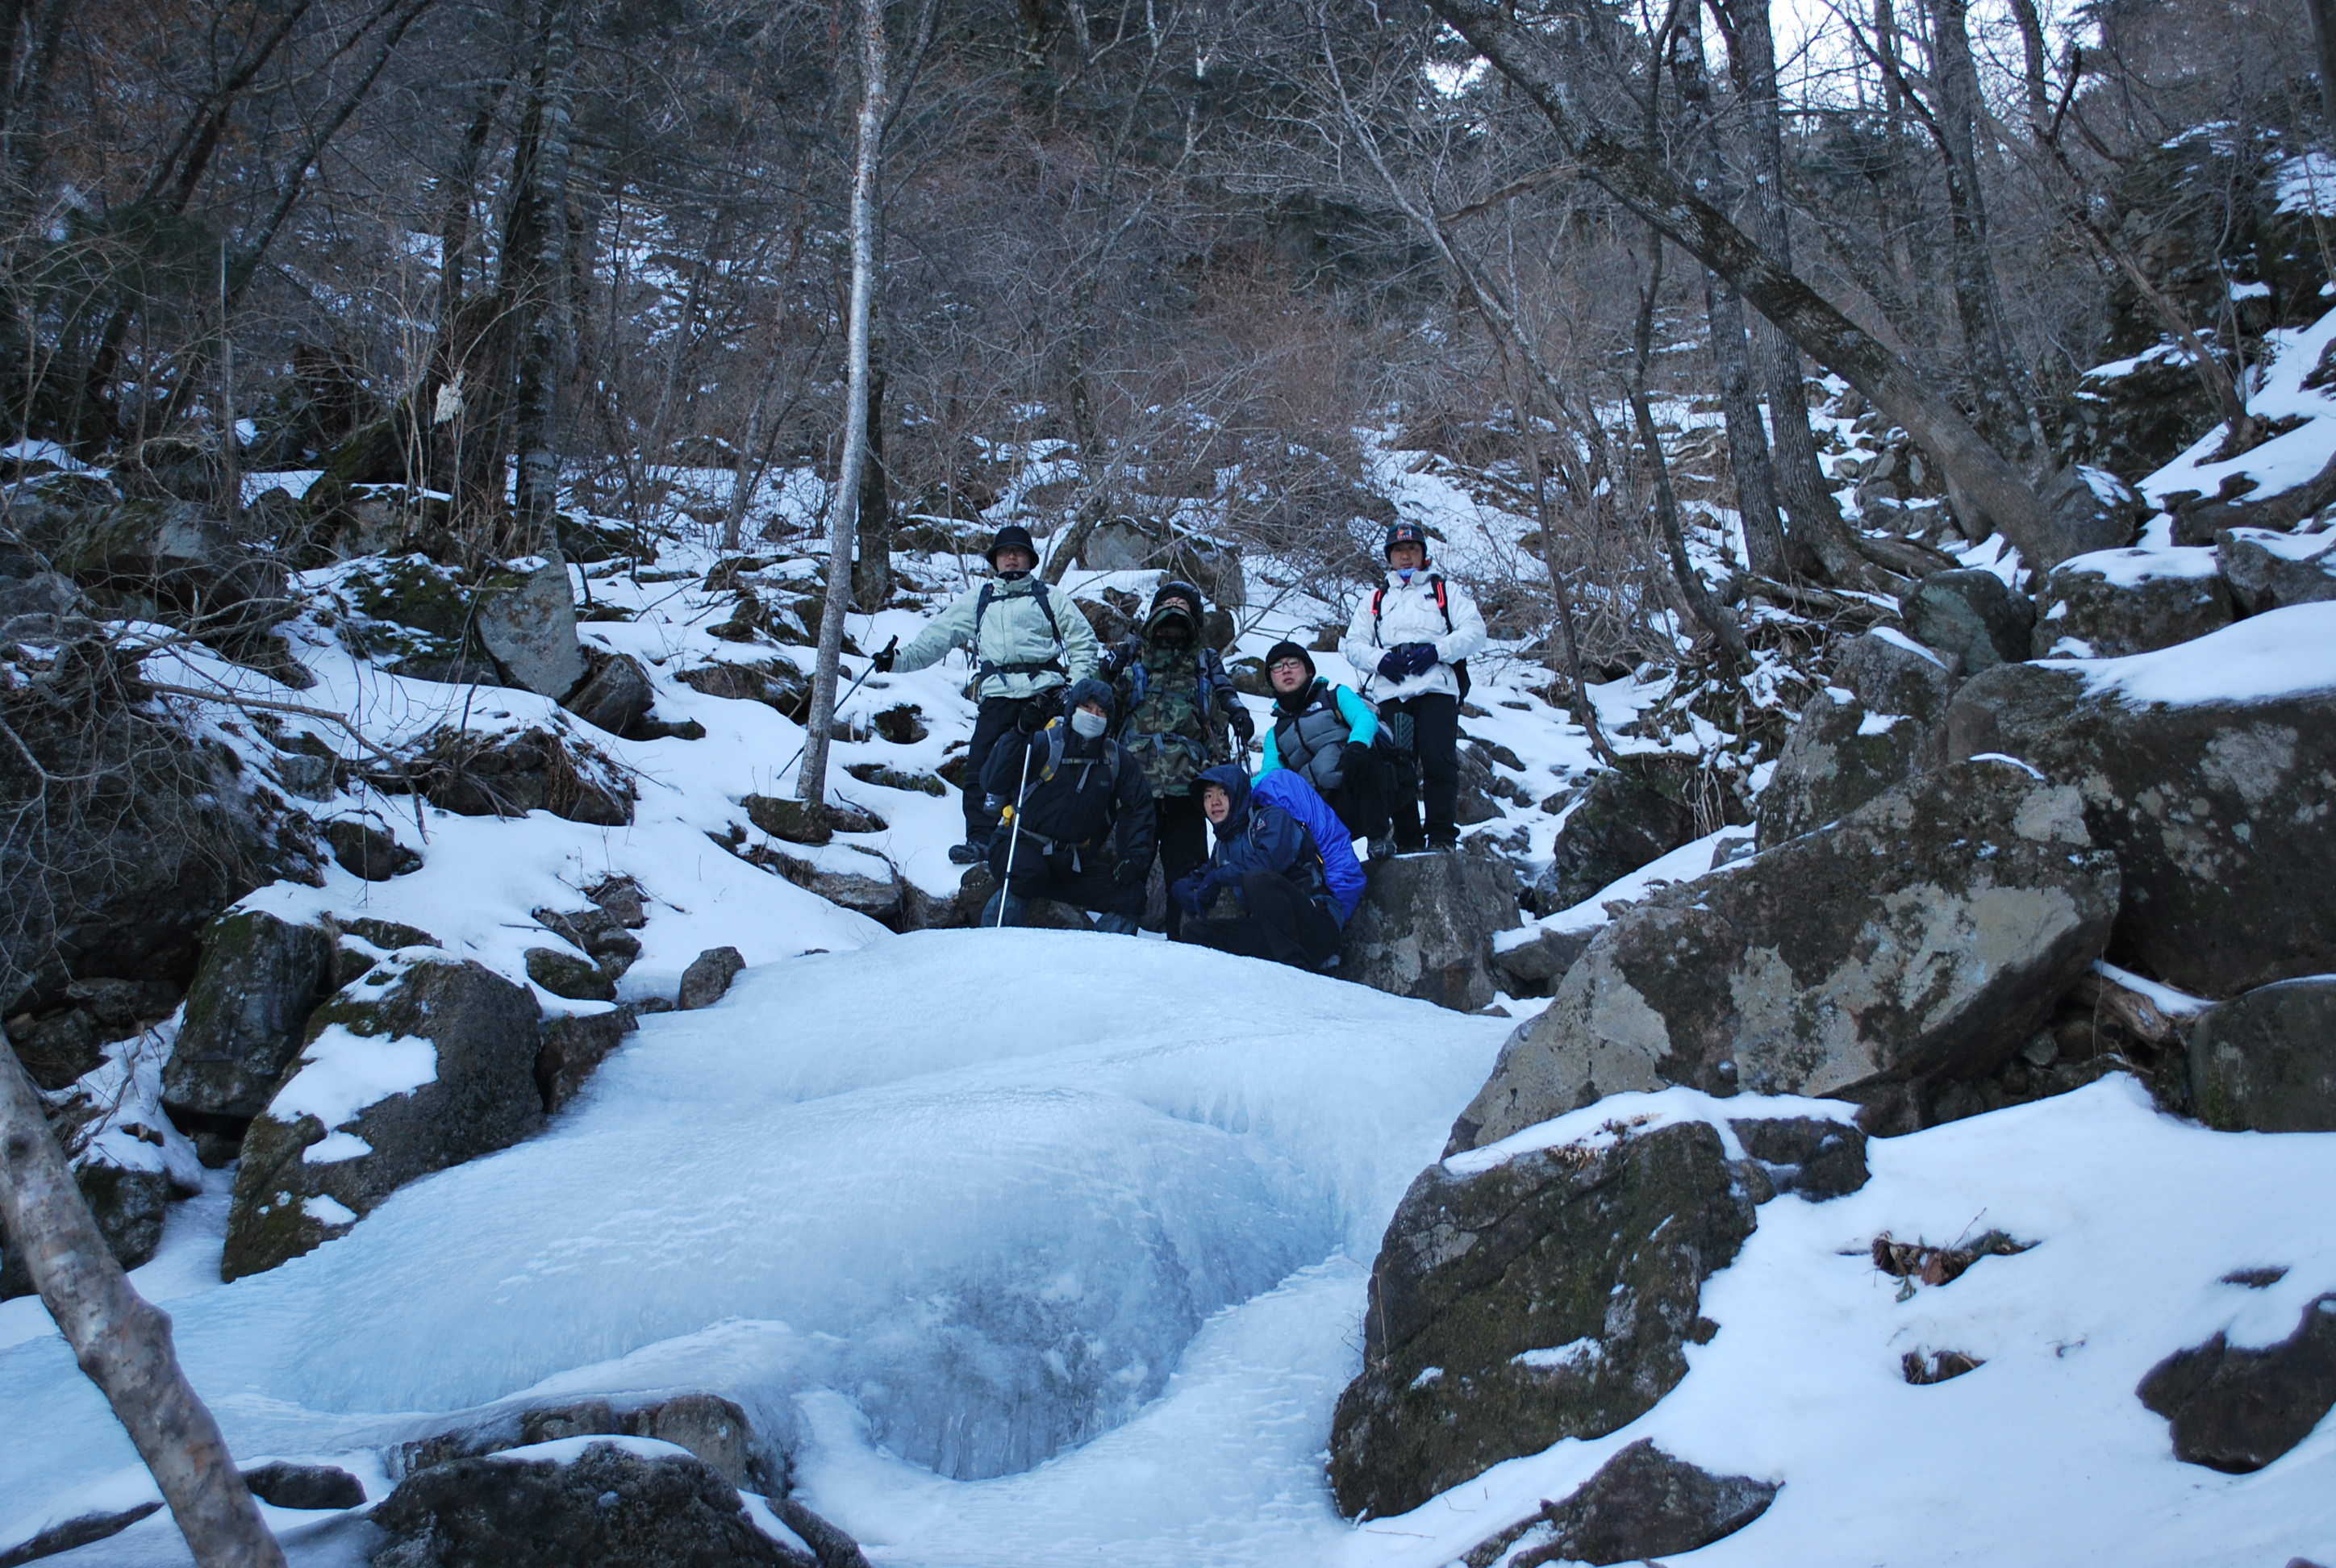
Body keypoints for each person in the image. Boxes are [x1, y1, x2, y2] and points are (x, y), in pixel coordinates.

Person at [878, 524, 1099, 863]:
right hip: (998, 699)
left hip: (1046, 696)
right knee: (982, 767)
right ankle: (981, 839)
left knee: (1051, 768)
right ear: (995, 560)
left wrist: (1074, 692)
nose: (1011, 557)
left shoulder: (1049, 597)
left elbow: (1083, 642)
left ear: (1029, 559)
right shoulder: (979, 600)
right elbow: (937, 638)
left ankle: (1045, 840)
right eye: (1004, 552)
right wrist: (896, 660)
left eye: (1018, 552)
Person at [1101, 579, 1254, 933]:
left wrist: (1237, 714)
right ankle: (1113, 944)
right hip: (1136, 783)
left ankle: (1184, 944)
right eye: (1168, 604)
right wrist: (1106, 669)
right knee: (1130, 864)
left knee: (1186, 871)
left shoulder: (1204, 663)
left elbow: (1221, 704)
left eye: (1182, 606)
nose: (1175, 611)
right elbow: (1103, 700)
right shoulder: (1132, 657)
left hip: (1188, 784)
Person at [1340, 522, 1487, 852]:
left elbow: (1475, 631)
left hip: (1437, 689)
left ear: (1423, 554)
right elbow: (1353, 644)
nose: (1405, 556)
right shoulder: (1375, 599)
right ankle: (1408, 840)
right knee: (1398, 766)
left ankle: (1442, 837)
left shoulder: (1445, 591)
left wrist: (1437, 651)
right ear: (1389, 557)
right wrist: (1381, 660)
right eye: (1398, 551)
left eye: (1412, 549)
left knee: (1438, 760)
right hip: (1394, 693)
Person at [978, 678, 1156, 934]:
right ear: (1072, 708)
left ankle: (1100, 954)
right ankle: (994, 942)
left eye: (1102, 712)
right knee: (1028, 873)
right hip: (1017, 844)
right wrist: (1019, 733)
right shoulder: (1043, 743)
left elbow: (1139, 807)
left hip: (1069, 861)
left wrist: (1133, 858)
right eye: (1087, 708)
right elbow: (992, 780)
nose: (1093, 716)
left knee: (1131, 894)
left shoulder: (1116, 759)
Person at [1170, 763, 1364, 972]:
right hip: (1271, 933)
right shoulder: (1222, 846)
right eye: (1208, 796)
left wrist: (1217, 878)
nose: (1214, 802)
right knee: (1195, 932)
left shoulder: (1272, 818)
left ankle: (1296, 973)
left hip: (1316, 924)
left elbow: (1267, 862)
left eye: (1223, 793)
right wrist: (1181, 886)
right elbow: (1206, 874)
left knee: (1257, 879)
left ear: (1237, 794)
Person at [1253, 640, 1386, 853]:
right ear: (1271, 680)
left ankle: (1379, 838)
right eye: (1277, 667)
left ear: (1309, 670)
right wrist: (1240, 788)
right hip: (1318, 811)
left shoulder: (1335, 696)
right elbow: (1271, 773)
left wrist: (1357, 744)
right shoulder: (1275, 734)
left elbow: (1365, 718)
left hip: (1356, 790)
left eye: (1293, 663)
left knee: (1363, 756)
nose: (1286, 670)